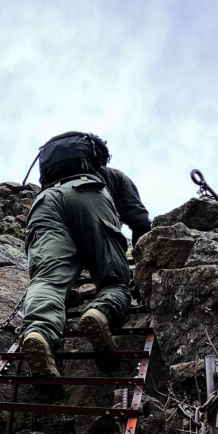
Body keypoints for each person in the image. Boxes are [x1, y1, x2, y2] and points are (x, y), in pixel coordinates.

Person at [19, 132, 151, 391]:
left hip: (44, 203)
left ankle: (39, 333)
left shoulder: (50, 183)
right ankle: (99, 312)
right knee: (114, 280)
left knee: (47, 280)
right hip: (89, 195)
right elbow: (138, 220)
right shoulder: (113, 176)